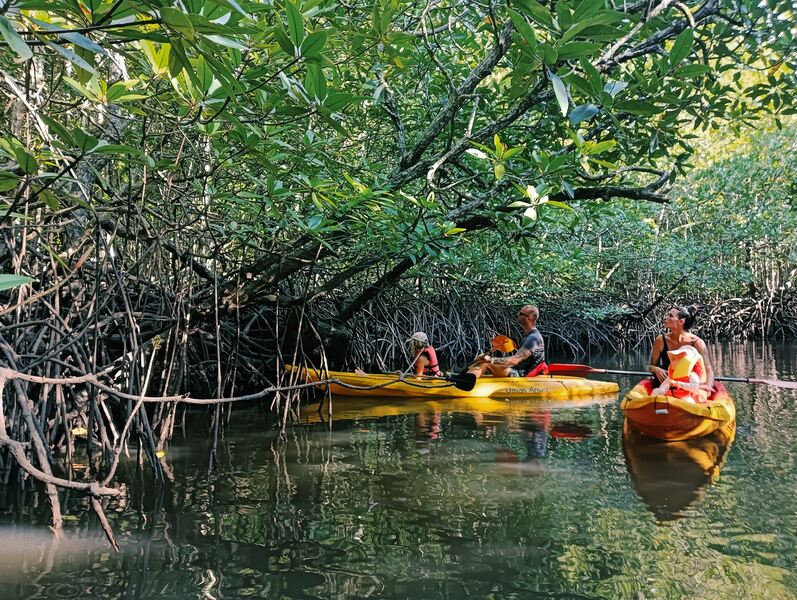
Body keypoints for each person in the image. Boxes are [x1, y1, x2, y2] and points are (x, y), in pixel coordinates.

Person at [648, 305, 715, 392]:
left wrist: (707, 391)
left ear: (681, 321)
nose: (665, 317)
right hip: (665, 385)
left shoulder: (697, 343)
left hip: (688, 386)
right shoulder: (660, 340)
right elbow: (650, 366)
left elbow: (709, 371)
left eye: (670, 316)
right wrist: (657, 369)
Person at [469, 305, 547, 377]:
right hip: (517, 369)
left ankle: (466, 383)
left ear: (529, 318)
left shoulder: (533, 338)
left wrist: (491, 359)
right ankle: (466, 377)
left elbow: (515, 360)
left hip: (522, 374)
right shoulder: (528, 336)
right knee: (481, 362)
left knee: (486, 363)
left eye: (520, 313)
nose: (517, 314)